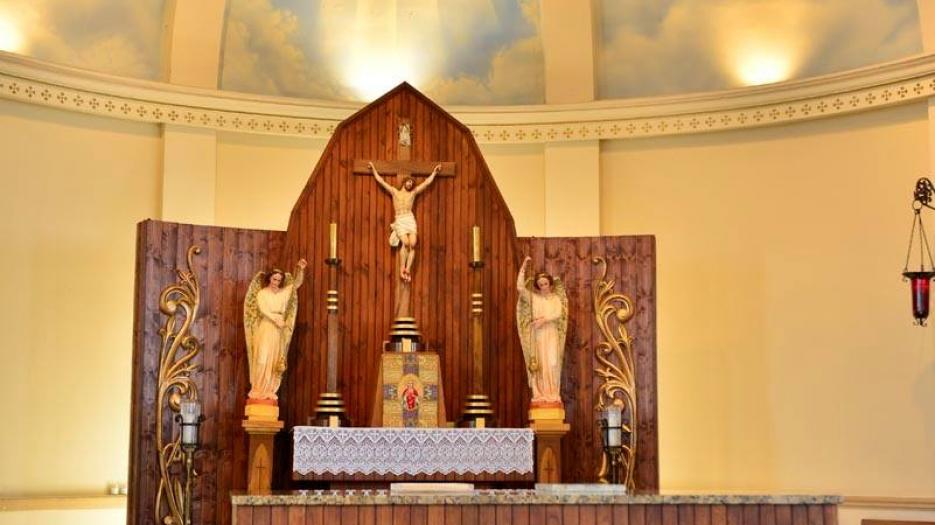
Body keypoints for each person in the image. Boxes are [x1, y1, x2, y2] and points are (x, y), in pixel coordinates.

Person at [243, 259, 307, 401]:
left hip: (278, 331)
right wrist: (275, 319)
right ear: (269, 279)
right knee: (262, 358)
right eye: (274, 279)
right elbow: (263, 309)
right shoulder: (262, 294)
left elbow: (296, 283)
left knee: (274, 361)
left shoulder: (284, 293)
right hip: (266, 327)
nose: (276, 282)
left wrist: (300, 269)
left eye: (278, 280)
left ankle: (269, 390)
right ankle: (258, 389)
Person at [369, 162, 441, 282]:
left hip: (409, 219)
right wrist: (373, 169)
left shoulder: (412, 194)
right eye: (409, 182)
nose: (410, 184)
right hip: (400, 219)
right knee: (406, 243)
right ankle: (402, 267)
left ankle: (407, 269)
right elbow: (381, 181)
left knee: (413, 244)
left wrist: (434, 172)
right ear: (404, 182)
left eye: (412, 183)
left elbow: (426, 183)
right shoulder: (394, 192)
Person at [516, 256, 568, 407]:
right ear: (537, 287)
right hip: (537, 335)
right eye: (540, 284)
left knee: (552, 362)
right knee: (538, 363)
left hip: (551, 333)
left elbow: (558, 313)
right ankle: (539, 394)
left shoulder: (555, 299)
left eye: (545, 283)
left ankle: (552, 393)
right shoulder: (533, 298)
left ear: (550, 284)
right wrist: (524, 266)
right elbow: (520, 287)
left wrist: (543, 320)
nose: (543, 286)